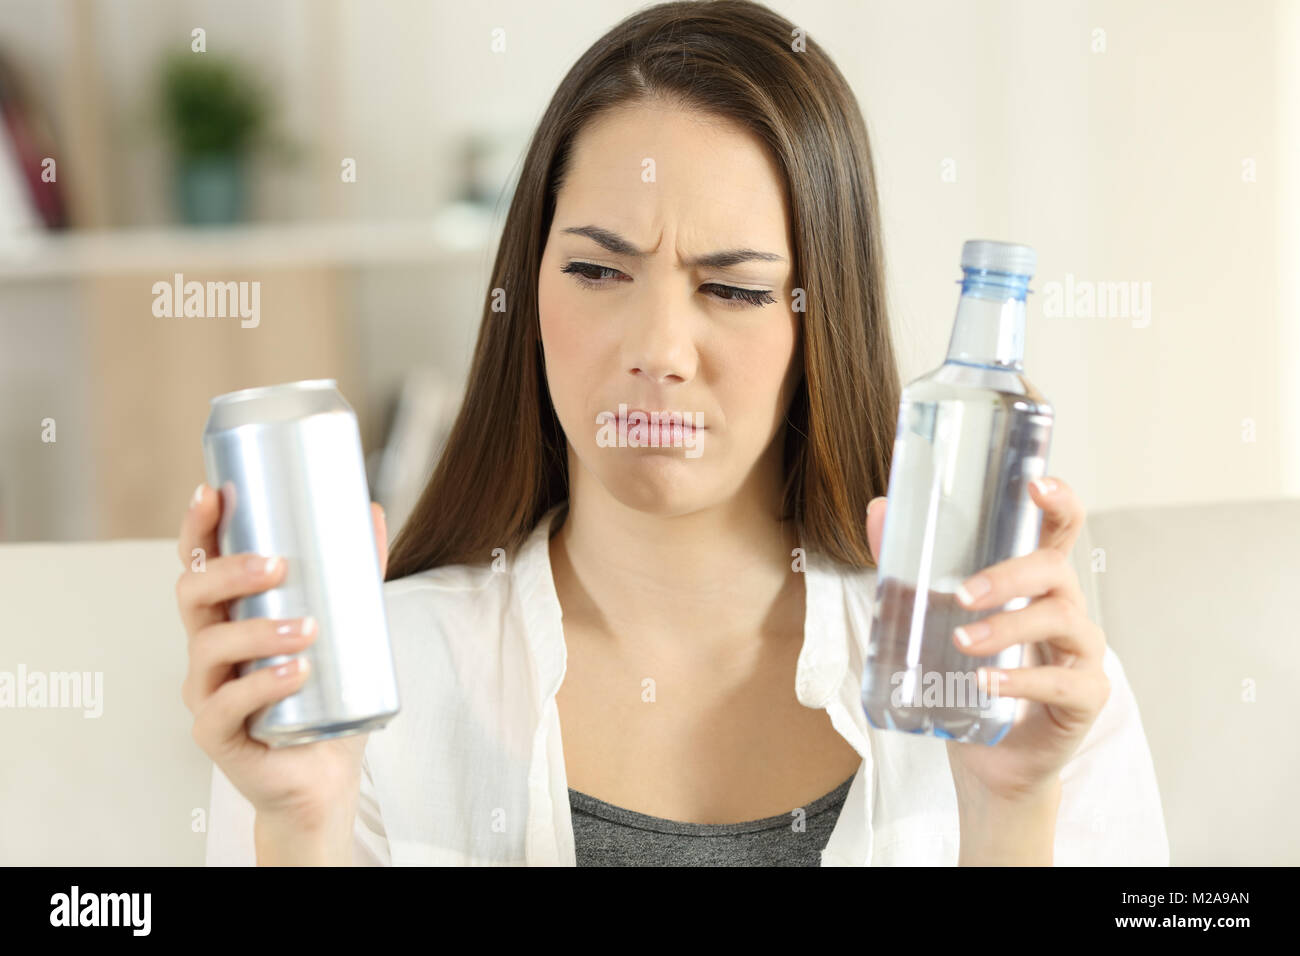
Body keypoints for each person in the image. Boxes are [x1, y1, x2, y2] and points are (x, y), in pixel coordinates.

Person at [177, 0, 1168, 866]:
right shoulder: (358, 681)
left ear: (817, 319)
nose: (657, 347)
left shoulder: (1006, 676)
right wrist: (301, 829)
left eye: (732, 288)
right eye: (598, 272)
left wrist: (1011, 809)